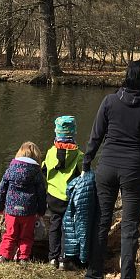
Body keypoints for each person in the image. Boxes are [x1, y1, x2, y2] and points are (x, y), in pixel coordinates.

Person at [82, 60, 140, 279]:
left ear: (126, 76)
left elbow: (96, 136)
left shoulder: (109, 101)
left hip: (106, 167)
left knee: (102, 223)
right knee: (129, 230)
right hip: (135, 171)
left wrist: (87, 164)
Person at [41, 115, 84, 269]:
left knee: (55, 225)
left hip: (53, 196)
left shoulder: (50, 152)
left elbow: (44, 170)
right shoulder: (79, 155)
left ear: (56, 133)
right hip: (69, 198)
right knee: (68, 228)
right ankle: (64, 259)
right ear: (73, 133)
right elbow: (84, 176)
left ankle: (52, 257)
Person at [0, 141, 47, 263]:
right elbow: (41, 193)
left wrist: (0, 207)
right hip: (29, 211)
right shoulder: (37, 172)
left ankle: (3, 256)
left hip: (11, 210)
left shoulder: (10, 169)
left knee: (10, 234)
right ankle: (23, 257)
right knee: (26, 236)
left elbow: (2, 189)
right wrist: (41, 211)